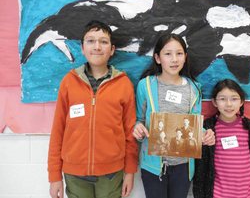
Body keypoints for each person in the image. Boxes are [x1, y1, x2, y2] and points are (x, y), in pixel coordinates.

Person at [47, 20, 138, 198]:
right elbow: (58, 130)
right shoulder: (68, 82)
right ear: (82, 48)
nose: (97, 46)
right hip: (75, 173)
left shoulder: (124, 84)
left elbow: (130, 131)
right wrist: (54, 175)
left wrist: (130, 171)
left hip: (112, 173)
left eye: (103, 42)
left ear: (112, 49)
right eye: (91, 41)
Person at [133, 33, 215, 198]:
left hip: (183, 167)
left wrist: (205, 134)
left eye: (179, 53)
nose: (174, 59)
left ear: (185, 57)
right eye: (168, 54)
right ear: (158, 58)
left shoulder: (194, 88)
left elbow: (193, 124)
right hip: (153, 167)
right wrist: (138, 129)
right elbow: (138, 120)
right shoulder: (146, 85)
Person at [193, 79, 250, 198]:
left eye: (234, 99)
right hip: (218, 194)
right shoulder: (208, 129)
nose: (228, 104)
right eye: (222, 99)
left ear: (241, 101)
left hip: (249, 193)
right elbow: (201, 167)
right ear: (214, 102)